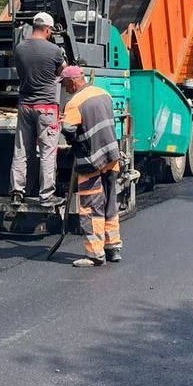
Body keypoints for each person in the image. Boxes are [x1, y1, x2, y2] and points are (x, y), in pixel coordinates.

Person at [60, 65, 123, 267]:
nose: (64, 88)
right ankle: (113, 247)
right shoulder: (104, 94)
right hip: (112, 156)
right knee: (110, 203)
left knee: (90, 207)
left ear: (73, 81)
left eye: (65, 84)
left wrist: (74, 143)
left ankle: (95, 254)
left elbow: (68, 130)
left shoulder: (74, 103)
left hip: (91, 161)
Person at [11, 12, 66, 207]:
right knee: (47, 152)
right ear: (48, 29)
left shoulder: (19, 48)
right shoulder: (54, 50)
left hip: (25, 105)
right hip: (47, 108)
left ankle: (17, 192)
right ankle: (46, 196)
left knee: (21, 151)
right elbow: (63, 71)